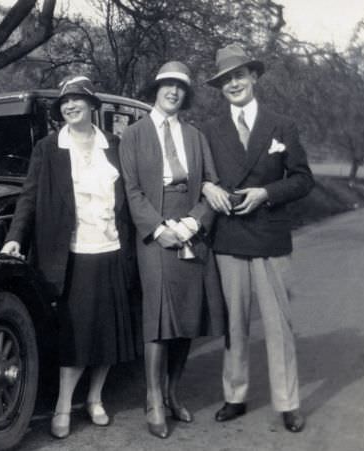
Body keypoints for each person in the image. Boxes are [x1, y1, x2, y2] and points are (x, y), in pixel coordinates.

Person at [1, 75, 136, 439]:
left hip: (111, 248)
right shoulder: (48, 148)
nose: (71, 106)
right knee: (74, 336)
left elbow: (133, 196)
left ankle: (94, 399)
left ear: (92, 105)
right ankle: (63, 404)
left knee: (108, 333)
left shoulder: (116, 145)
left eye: (78, 99)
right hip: (70, 254)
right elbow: (28, 197)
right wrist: (15, 238)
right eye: (65, 102)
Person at [199, 44, 314, 433]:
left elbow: (303, 179)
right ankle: (235, 395)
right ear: (220, 87)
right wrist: (206, 186)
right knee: (234, 324)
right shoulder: (210, 130)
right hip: (229, 238)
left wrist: (266, 193)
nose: (233, 83)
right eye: (225, 79)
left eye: (239, 75)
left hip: (269, 236)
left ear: (254, 77)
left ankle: (288, 402)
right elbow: (200, 173)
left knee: (279, 325)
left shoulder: (282, 125)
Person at [119, 61, 227, 439]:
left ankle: (172, 393)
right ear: (156, 89)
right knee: (159, 318)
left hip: (192, 230)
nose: (173, 92)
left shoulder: (195, 136)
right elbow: (132, 190)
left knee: (186, 317)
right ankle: (152, 400)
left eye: (180, 87)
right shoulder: (133, 135)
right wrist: (158, 229)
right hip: (156, 234)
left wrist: (194, 223)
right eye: (167, 85)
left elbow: (211, 186)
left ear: (186, 94)